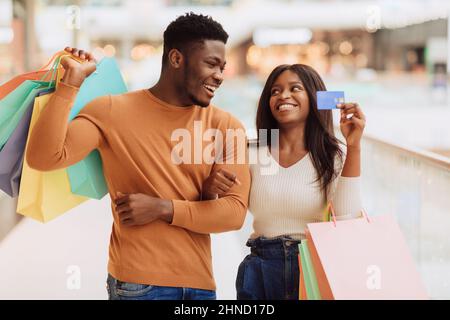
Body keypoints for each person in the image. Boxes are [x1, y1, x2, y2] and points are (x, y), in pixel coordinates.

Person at [26, 13, 250, 300]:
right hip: (137, 285)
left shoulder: (226, 125)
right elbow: (45, 157)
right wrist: (69, 85)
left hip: (201, 285)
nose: (219, 76)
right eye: (211, 63)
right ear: (176, 59)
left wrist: (163, 208)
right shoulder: (110, 111)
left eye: (222, 67)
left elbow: (233, 215)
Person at [201, 64, 365, 300]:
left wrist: (354, 146)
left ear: (314, 97)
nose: (283, 96)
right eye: (275, 91)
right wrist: (210, 190)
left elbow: (346, 216)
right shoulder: (252, 151)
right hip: (260, 273)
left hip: (311, 270)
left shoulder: (331, 155)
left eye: (294, 88)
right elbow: (226, 212)